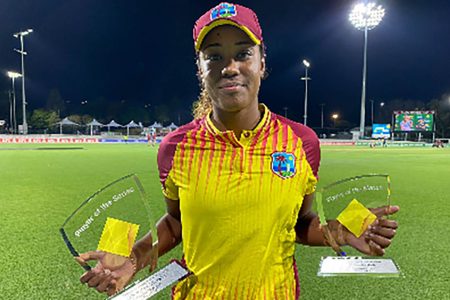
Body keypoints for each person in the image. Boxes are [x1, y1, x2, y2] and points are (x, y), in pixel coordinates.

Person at [77, 3, 399, 299]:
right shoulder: (175, 147)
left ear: (262, 63)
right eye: (214, 56)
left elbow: (300, 223)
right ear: (200, 69)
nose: (230, 67)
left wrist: (339, 231)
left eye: (243, 53)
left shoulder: (302, 142)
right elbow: (176, 224)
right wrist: (134, 256)